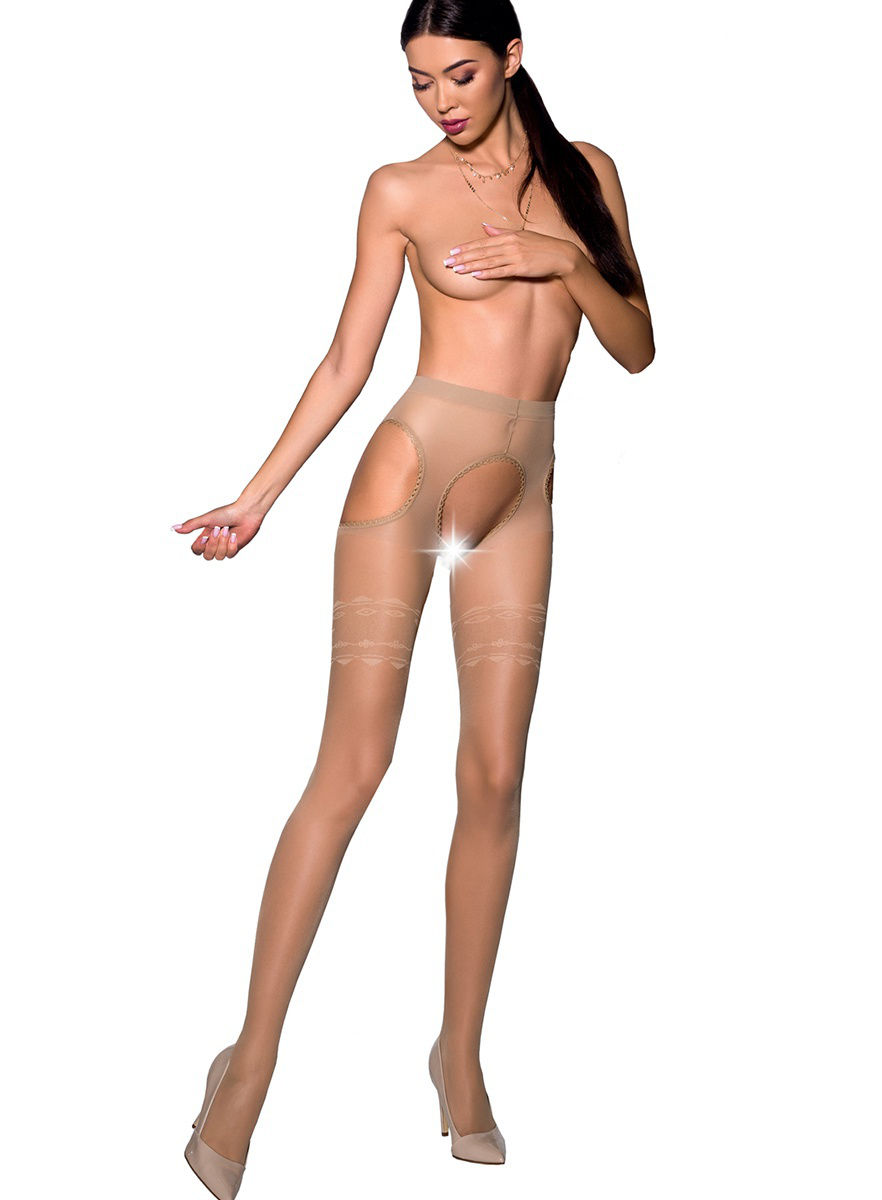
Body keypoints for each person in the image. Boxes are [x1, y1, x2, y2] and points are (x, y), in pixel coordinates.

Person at [177, 0, 653, 1192]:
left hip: (524, 496)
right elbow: (348, 358)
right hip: (409, 477)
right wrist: (258, 496)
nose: (441, 100)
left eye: (460, 73)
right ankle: (248, 1066)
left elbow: (638, 345)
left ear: (513, 59)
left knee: (494, 777)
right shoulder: (399, 189)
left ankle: (461, 1058)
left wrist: (564, 261)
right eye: (419, 80)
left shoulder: (589, 173)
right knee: (353, 767)